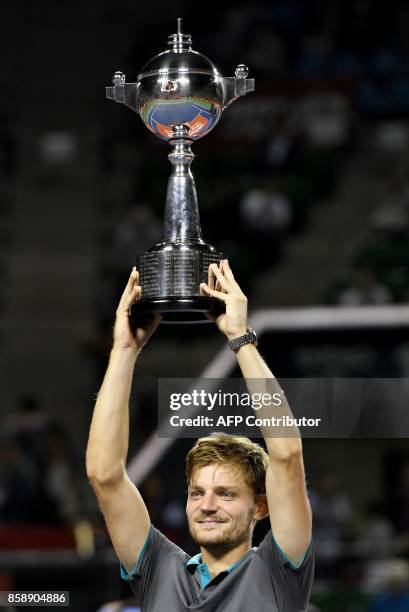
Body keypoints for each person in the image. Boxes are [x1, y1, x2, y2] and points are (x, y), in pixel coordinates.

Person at [86, 260, 314, 611]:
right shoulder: (158, 569)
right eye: (197, 493)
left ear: (261, 506)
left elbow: (286, 456)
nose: (207, 506)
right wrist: (124, 351)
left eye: (225, 493)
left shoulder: (278, 572)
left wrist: (241, 340)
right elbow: (105, 475)